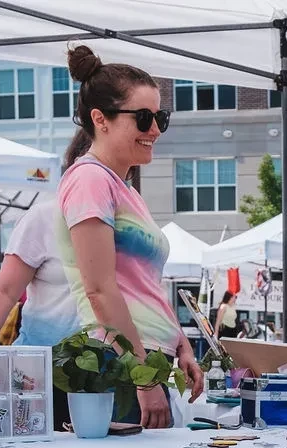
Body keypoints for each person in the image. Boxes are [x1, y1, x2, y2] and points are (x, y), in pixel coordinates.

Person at [55, 45, 203, 428]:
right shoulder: (89, 180)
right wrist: (143, 375)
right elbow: (99, 290)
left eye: (160, 117)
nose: (154, 129)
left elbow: (143, 284)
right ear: (100, 119)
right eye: (142, 118)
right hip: (120, 366)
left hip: (141, 362)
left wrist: (180, 342)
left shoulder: (122, 188)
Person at [0, 129, 93, 430]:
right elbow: (4, 289)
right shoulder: (45, 217)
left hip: (107, 373)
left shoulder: (125, 222)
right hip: (41, 372)